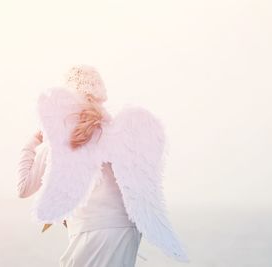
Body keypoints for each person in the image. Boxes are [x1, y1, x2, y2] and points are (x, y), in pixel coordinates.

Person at [17, 65, 189, 266]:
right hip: (127, 230)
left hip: (93, 232)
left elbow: (23, 188)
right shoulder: (122, 137)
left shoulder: (61, 143)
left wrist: (33, 141)